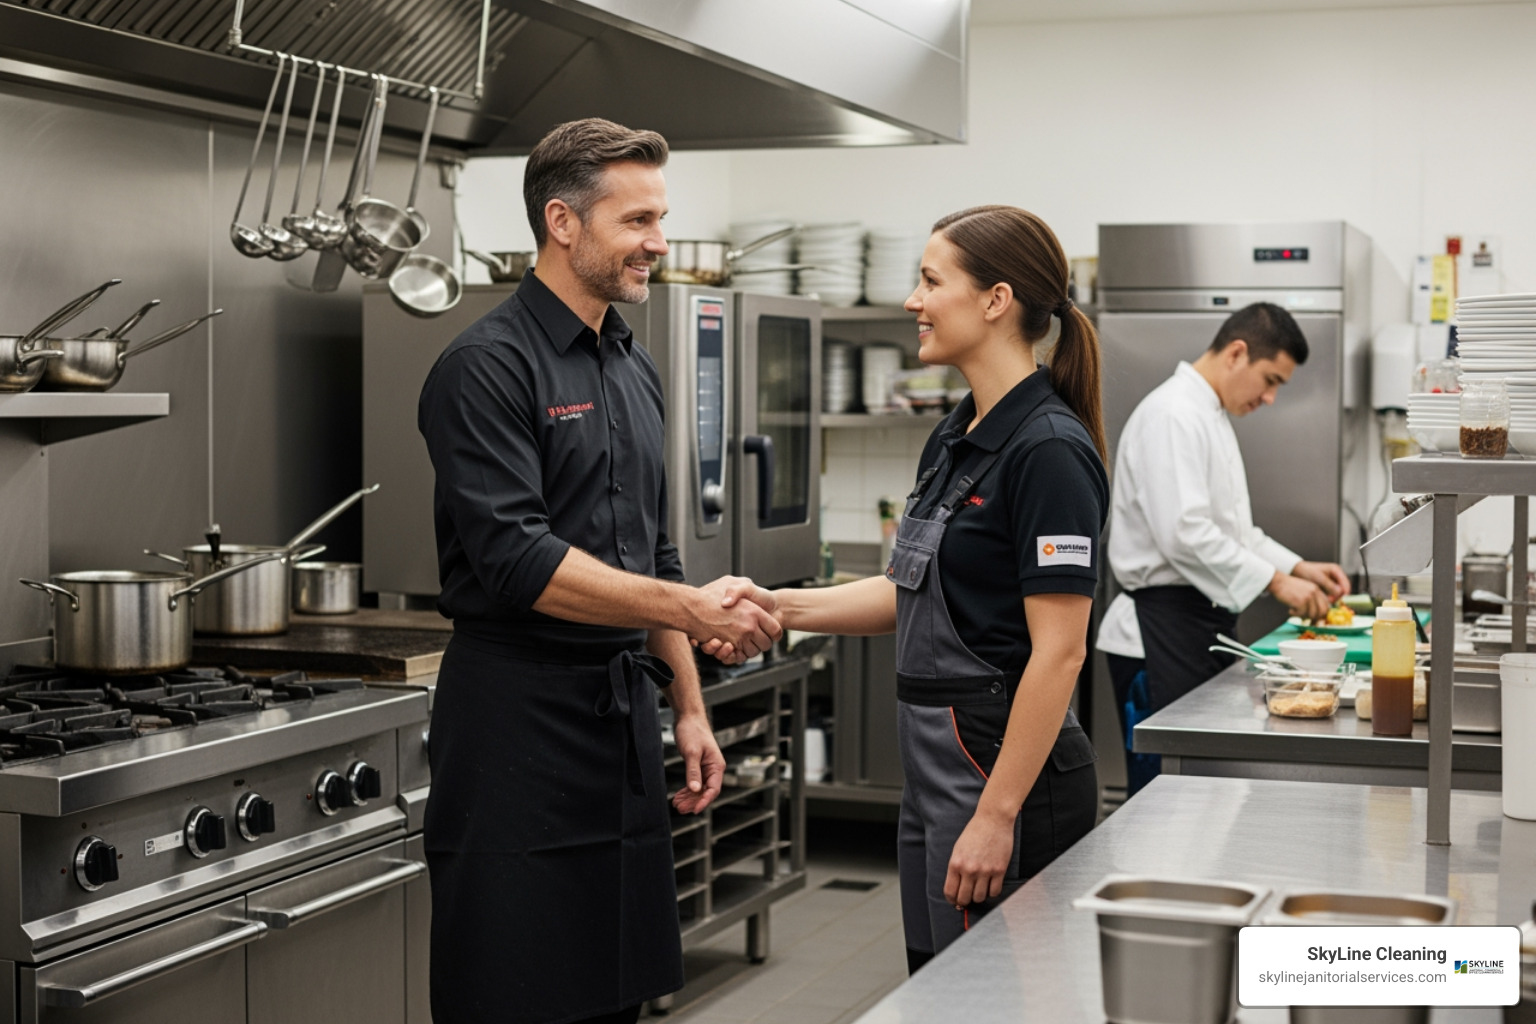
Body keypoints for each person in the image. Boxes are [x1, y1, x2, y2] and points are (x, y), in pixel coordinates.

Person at [417, 118, 782, 1024]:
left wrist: (689, 705)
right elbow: (520, 560)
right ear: (563, 222)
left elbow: (651, 550)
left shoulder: (632, 363)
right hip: (514, 729)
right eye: (638, 221)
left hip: (620, 724)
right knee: (514, 994)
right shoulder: (484, 367)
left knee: (615, 992)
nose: (658, 242)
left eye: (661, 218)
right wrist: (696, 609)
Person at [713, 205, 1105, 973]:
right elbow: (913, 593)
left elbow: (1059, 656)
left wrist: (997, 815)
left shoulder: (1049, 451)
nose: (912, 301)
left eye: (930, 281)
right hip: (935, 768)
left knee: (998, 1000)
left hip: (1002, 772)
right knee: (937, 983)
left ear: (995, 300)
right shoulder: (958, 434)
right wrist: (777, 606)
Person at [1095, 302, 1351, 796]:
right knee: (1166, 797)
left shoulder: (1208, 415)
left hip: (1195, 626)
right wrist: (1279, 583)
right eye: (1271, 379)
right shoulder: (1173, 414)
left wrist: (1299, 566)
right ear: (1237, 353)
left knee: (1205, 792)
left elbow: (1234, 534)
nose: (1271, 397)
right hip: (1157, 632)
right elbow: (1184, 534)